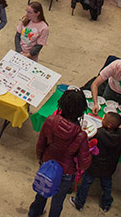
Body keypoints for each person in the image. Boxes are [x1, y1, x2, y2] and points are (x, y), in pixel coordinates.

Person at [29, 88, 91, 217]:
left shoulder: (50, 121)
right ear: (81, 111)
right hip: (66, 172)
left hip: (47, 164)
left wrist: (40, 159)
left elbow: (40, 144)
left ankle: (34, 213)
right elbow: (84, 163)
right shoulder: (81, 135)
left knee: (41, 193)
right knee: (58, 201)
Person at [72, 112, 121, 212]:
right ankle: (106, 204)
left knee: (86, 183)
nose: (102, 119)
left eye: (104, 118)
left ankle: (79, 202)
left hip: (94, 166)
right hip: (109, 167)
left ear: (109, 125)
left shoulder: (99, 133)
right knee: (107, 185)